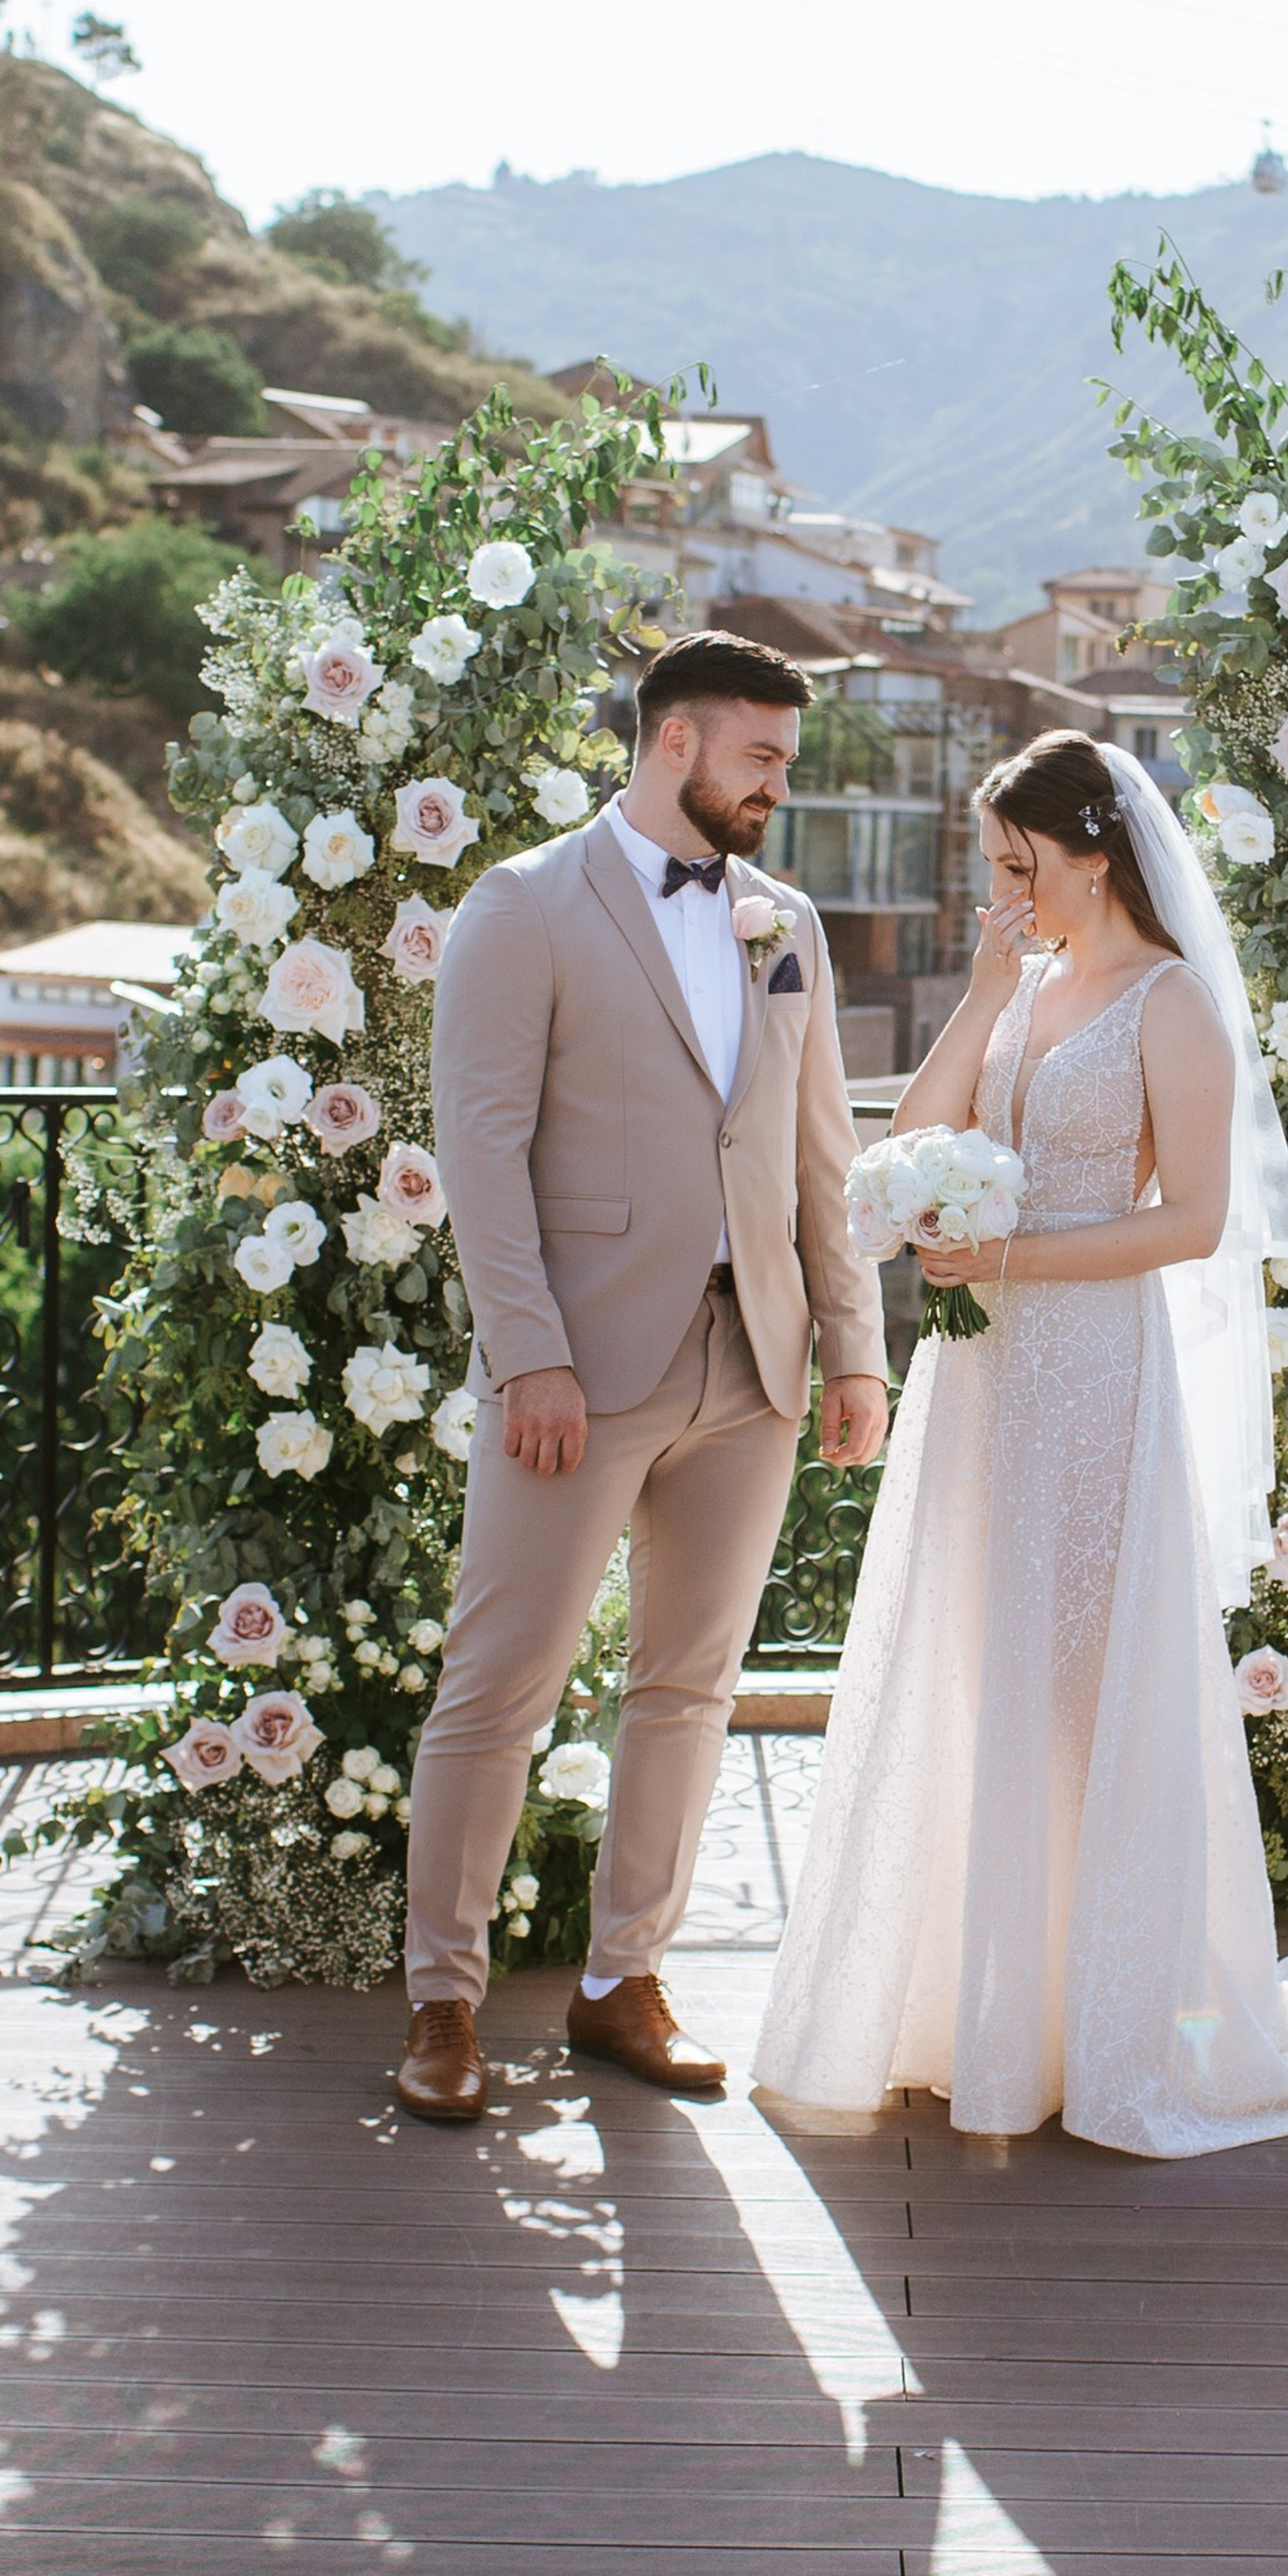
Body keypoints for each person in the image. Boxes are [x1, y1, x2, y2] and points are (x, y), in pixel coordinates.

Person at [752, 730, 1288, 2155]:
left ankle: (1113, 2030)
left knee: (1084, 1688)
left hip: (1096, 1369)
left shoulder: (1170, 1004)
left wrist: (1015, 1259)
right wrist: (980, 999)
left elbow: (1196, 1224)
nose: (1003, 888)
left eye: (1016, 864)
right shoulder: (1026, 985)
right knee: (977, 1665)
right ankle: (973, 2020)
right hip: (980, 1379)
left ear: (1091, 855)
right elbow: (911, 1134)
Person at [393, 629, 889, 2123]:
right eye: (761, 758)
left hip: (754, 1371)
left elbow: (821, 1149)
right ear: (674, 741)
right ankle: (443, 2004)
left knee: (687, 1689)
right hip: (580, 1374)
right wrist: (527, 1353)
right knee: (499, 1690)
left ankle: (622, 1984)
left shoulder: (782, 919)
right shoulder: (525, 904)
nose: (776, 789)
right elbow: (478, 1145)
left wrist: (855, 1350)